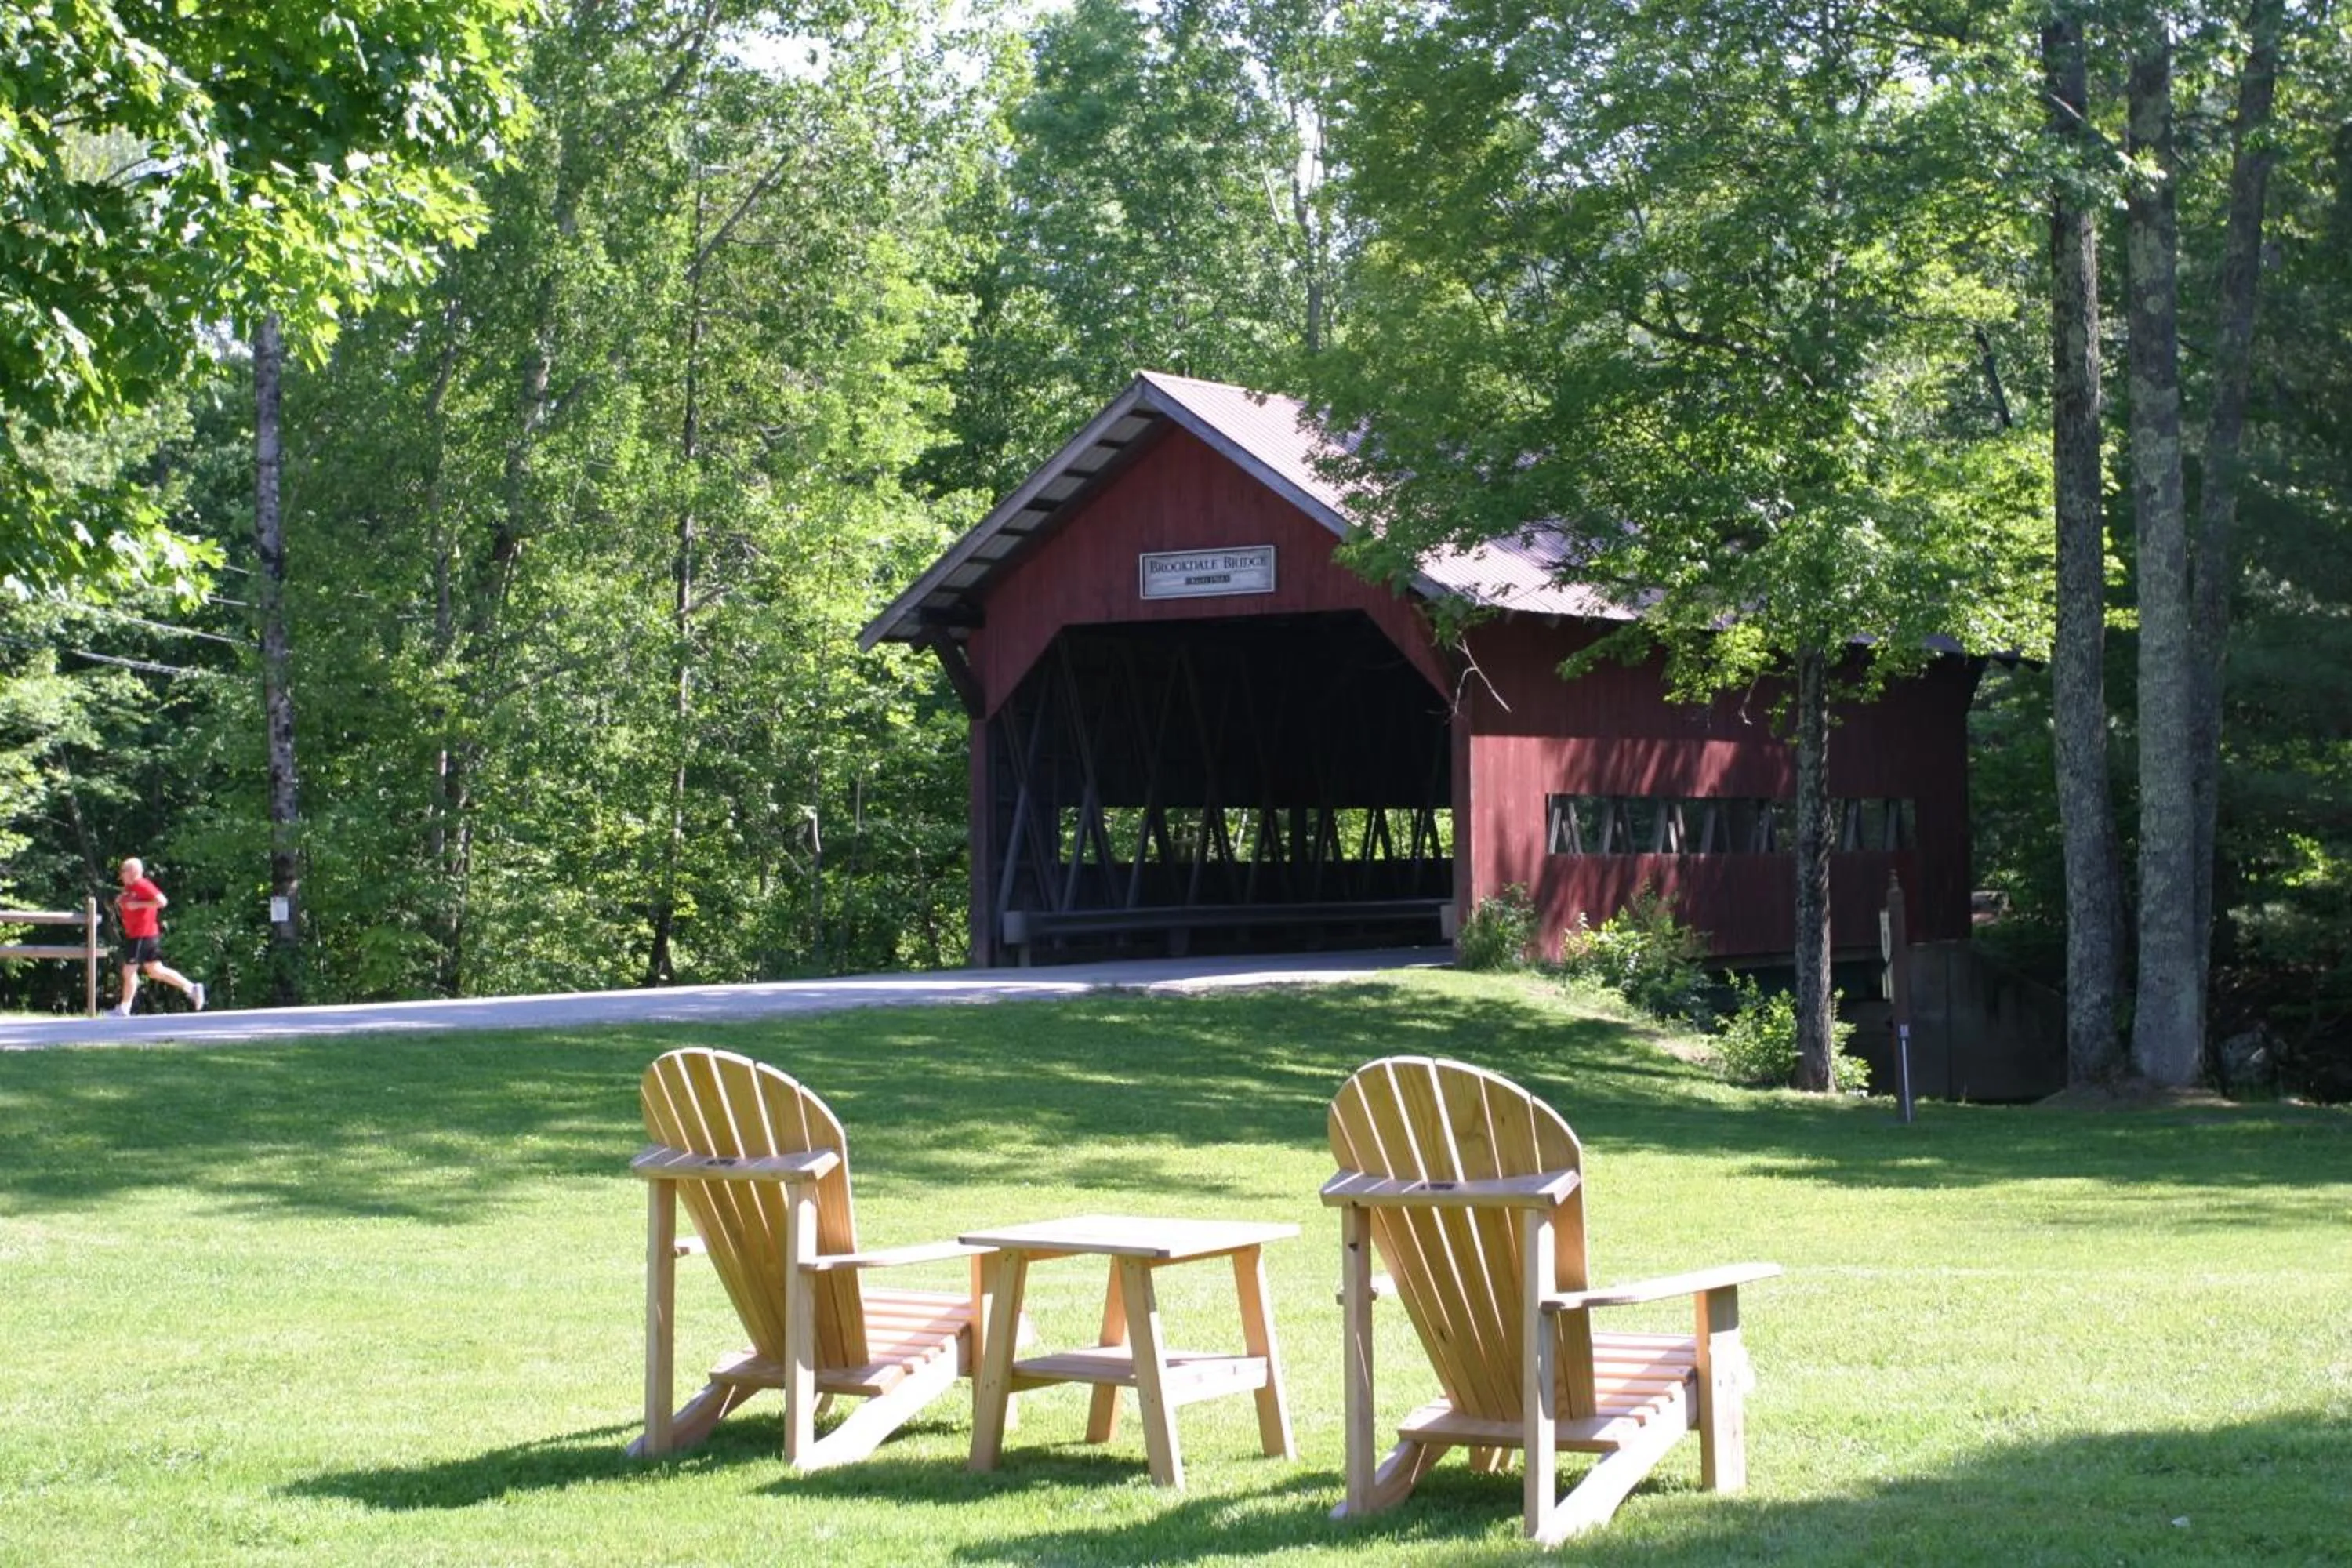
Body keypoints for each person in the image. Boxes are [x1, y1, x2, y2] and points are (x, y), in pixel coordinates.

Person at [111, 857, 205, 1015]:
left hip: (142, 935)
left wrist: (138, 905)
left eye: (124, 872)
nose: (121, 876)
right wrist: (120, 900)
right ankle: (192, 988)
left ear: (133, 872)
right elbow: (127, 902)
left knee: (129, 971)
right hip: (144, 934)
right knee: (155, 970)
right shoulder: (130, 888)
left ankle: (124, 1008)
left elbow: (162, 901)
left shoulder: (142, 884)